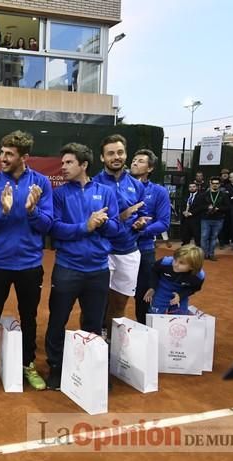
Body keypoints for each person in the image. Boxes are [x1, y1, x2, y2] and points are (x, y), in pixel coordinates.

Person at [0, 131, 53, 392]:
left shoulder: (41, 183)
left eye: (9, 154)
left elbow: (47, 225)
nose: (2, 158)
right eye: (2, 152)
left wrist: (32, 210)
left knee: (29, 317)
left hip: (30, 265)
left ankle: (28, 364)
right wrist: (2, 211)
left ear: (24, 157)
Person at [45, 142, 119, 390]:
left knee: (94, 323)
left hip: (98, 270)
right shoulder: (59, 194)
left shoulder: (106, 192)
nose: (63, 167)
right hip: (67, 268)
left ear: (84, 165)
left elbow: (116, 228)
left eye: (69, 162)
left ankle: (91, 369)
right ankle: (55, 368)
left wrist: (103, 223)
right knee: (57, 320)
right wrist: (85, 226)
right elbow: (54, 228)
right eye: (62, 162)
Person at [92, 134, 148, 336]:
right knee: (95, 305)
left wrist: (141, 224)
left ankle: (111, 346)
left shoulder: (137, 185)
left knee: (119, 304)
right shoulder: (93, 184)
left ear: (125, 154)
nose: (116, 157)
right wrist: (123, 217)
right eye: (110, 153)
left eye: (120, 152)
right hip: (101, 253)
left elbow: (142, 213)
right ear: (102, 157)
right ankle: (91, 343)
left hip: (129, 252)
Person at [130, 149, 171, 323]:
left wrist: (141, 230)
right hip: (116, 249)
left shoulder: (159, 192)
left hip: (144, 249)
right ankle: (105, 332)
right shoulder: (117, 187)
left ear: (150, 168)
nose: (134, 163)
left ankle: (142, 329)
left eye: (140, 161)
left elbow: (163, 222)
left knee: (143, 294)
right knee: (110, 294)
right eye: (133, 159)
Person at [143, 245, 205, 314]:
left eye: (181, 263)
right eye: (175, 259)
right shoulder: (164, 262)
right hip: (162, 290)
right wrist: (152, 287)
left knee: (180, 315)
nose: (175, 264)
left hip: (180, 292)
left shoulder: (198, 277)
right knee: (155, 315)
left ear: (193, 266)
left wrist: (181, 295)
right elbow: (154, 271)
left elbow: (194, 288)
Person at [197, 175, 229, 260]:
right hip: (205, 219)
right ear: (210, 184)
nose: (215, 185)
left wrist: (219, 208)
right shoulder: (204, 195)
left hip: (218, 219)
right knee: (204, 237)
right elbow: (199, 206)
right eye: (213, 183)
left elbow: (228, 207)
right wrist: (207, 207)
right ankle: (204, 254)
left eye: (217, 183)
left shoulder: (224, 195)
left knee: (214, 237)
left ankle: (211, 254)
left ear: (220, 185)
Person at [218, 171, 233, 249]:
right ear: (229, 179)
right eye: (231, 177)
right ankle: (225, 241)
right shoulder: (226, 187)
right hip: (227, 210)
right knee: (225, 225)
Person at [180, 181, 202, 246]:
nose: (192, 188)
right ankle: (184, 251)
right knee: (185, 237)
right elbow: (182, 205)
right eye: (190, 187)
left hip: (195, 219)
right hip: (185, 219)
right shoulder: (185, 195)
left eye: (193, 187)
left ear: (197, 187)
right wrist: (183, 212)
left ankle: (198, 253)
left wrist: (191, 213)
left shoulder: (201, 196)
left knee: (197, 238)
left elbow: (201, 207)